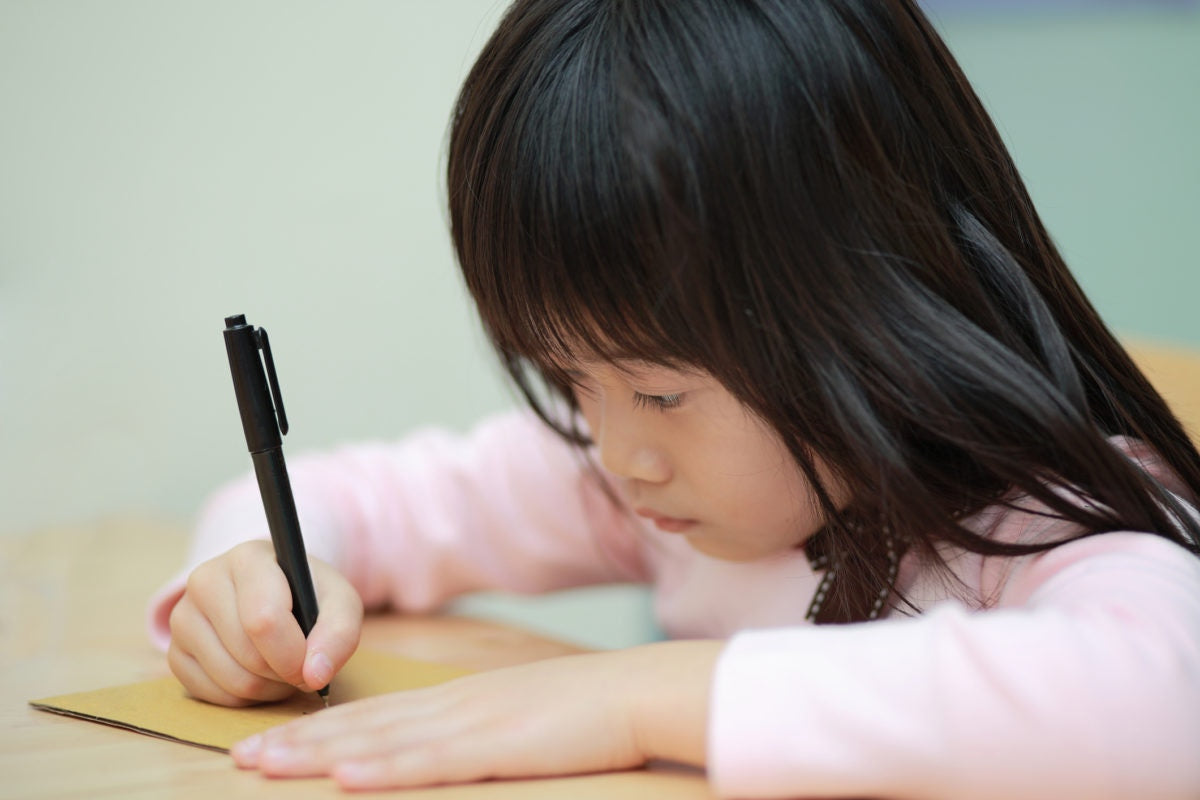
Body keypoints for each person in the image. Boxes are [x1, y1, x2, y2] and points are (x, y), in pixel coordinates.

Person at [147, 0, 1200, 796]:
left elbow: (1163, 701)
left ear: (867, 301)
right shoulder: (638, 476)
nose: (615, 449)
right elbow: (345, 497)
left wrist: (640, 693)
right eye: (570, 379)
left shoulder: (1040, 519)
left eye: (656, 389)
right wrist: (247, 586)